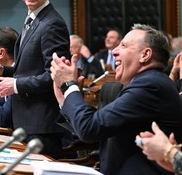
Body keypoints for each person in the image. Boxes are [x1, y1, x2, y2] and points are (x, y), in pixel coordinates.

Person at [50, 23, 182, 174]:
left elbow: (90, 128)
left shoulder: (150, 86)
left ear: (145, 55)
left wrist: (70, 86)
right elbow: (96, 131)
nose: (114, 52)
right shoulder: (145, 83)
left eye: (124, 46)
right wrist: (65, 100)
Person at [0, 0, 70, 159]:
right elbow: (30, 68)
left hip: (42, 125)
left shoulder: (52, 24)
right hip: (27, 121)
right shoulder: (33, 19)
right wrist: (4, 70)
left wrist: (15, 84)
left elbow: (55, 76)